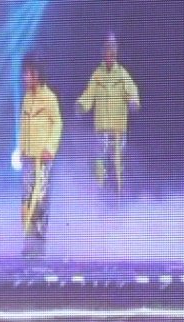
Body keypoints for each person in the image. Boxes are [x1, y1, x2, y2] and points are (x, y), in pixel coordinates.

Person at [76, 34, 140, 198]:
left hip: (118, 130)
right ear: (103, 53)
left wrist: (134, 101)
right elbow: (89, 94)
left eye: (113, 51)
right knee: (99, 161)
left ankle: (119, 195)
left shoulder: (122, 74)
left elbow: (132, 90)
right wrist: (82, 105)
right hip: (102, 129)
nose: (110, 54)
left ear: (116, 53)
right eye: (107, 51)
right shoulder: (97, 74)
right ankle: (99, 192)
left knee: (118, 163)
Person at [18, 52, 61, 256]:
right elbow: (23, 125)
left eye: (27, 73)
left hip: (42, 160)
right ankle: (28, 241)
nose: (24, 77)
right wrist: (21, 149)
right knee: (26, 201)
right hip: (28, 158)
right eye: (24, 72)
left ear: (36, 74)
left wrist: (50, 148)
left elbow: (58, 124)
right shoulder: (27, 98)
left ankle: (39, 244)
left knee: (40, 201)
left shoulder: (49, 97)